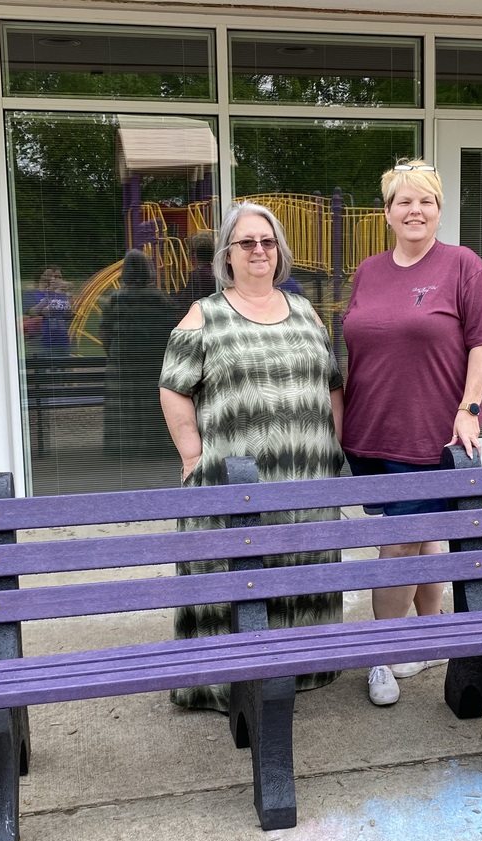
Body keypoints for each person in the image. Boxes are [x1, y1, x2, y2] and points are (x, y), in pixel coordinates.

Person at [158, 202, 345, 713]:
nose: (259, 250)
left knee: (298, 564)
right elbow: (173, 387)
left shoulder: (305, 311)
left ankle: (302, 669)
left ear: (279, 252)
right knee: (240, 573)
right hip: (232, 481)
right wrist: (192, 452)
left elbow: (331, 384)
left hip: (305, 479)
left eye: (267, 242)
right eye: (247, 243)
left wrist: (333, 448)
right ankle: (231, 682)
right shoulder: (206, 313)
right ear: (228, 254)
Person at [340, 158, 482, 707]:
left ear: (439, 210)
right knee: (418, 530)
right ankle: (431, 634)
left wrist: (470, 408)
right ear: (386, 213)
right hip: (369, 429)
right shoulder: (367, 270)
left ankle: (382, 654)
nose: (415, 210)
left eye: (426, 201)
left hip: (431, 432)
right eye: (403, 202)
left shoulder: (462, 266)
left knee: (402, 539)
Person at [100, 248, 177, 456]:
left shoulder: (115, 299)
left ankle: (125, 448)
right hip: (152, 357)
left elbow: (104, 331)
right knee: (153, 402)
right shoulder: (160, 298)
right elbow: (172, 329)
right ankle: (156, 444)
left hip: (123, 358)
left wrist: (112, 353)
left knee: (126, 403)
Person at [29, 266, 73, 355]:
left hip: (62, 336)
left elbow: (68, 316)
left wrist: (68, 298)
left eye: (59, 277)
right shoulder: (43, 295)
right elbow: (33, 312)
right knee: (45, 362)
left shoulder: (65, 296)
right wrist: (50, 295)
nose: (56, 280)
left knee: (64, 362)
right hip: (46, 337)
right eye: (54, 277)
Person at [171, 231, 217, 306]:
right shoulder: (217, 272)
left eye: (188, 252)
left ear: (193, 254)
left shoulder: (198, 276)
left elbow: (184, 300)